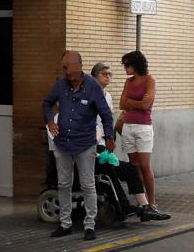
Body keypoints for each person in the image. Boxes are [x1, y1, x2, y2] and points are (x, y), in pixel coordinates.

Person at [43, 51, 114, 240]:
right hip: (63, 143)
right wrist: (50, 121)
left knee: (88, 184)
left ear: (79, 66)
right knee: (64, 184)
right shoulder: (60, 85)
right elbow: (47, 103)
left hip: (85, 143)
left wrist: (109, 137)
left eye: (69, 67)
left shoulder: (92, 86)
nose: (66, 71)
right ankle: (65, 224)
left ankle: (89, 225)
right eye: (64, 67)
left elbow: (106, 114)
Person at [90, 62, 168, 222]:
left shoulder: (107, 96)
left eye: (110, 74)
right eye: (104, 74)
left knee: (131, 169)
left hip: (103, 144)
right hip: (89, 147)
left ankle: (145, 206)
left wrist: (109, 137)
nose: (108, 77)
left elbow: (107, 119)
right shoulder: (88, 95)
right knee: (110, 170)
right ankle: (124, 205)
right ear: (94, 76)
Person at [117, 50, 164, 214]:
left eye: (127, 65)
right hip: (128, 127)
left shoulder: (150, 80)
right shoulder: (128, 82)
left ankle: (152, 202)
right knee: (134, 166)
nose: (125, 68)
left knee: (145, 165)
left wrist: (130, 102)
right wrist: (135, 102)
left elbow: (145, 106)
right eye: (124, 65)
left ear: (136, 64)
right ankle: (141, 202)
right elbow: (121, 104)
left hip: (143, 127)